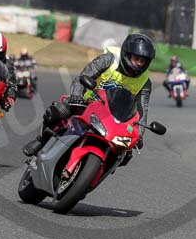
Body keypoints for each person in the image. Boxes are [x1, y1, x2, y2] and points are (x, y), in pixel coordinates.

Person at [22, 33, 155, 165]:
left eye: (142, 61)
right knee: (59, 111)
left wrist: (139, 135)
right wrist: (77, 96)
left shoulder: (145, 82)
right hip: (85, 104)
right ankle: (41, 141)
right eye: (136, 58)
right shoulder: (108, 60)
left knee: (126, 153)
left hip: (112, 118)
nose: (139, 64)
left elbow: (142, 110)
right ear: (127, 54)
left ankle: (99, 169)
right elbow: (82, 77)